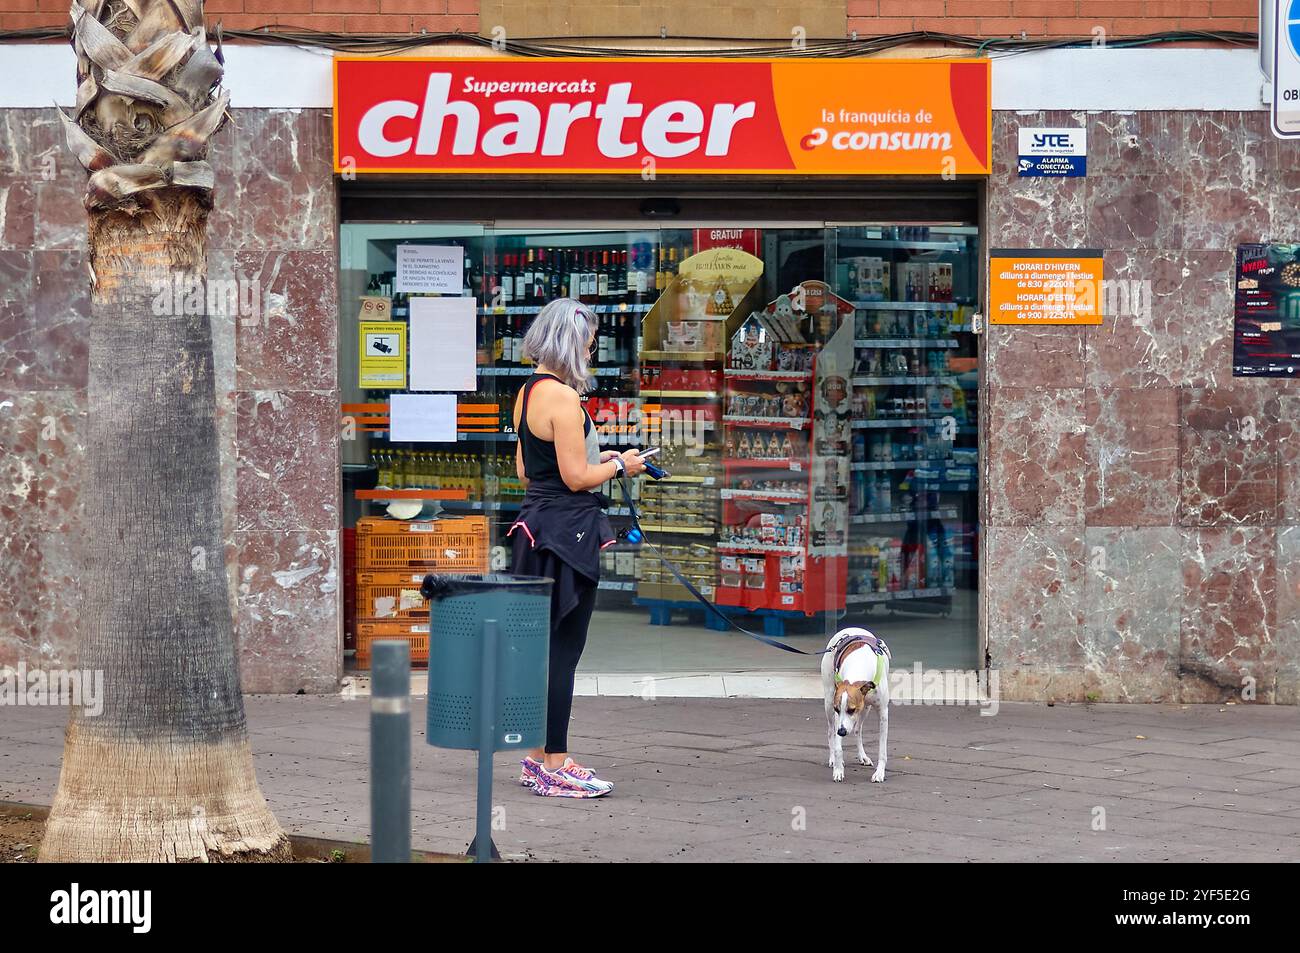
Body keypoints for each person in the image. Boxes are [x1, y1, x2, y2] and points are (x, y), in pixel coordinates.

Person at [506, 297, 646, 798]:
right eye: (589, 340)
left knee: (545, 649)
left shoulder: (528, 393)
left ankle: (535, 757)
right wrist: (619, 466)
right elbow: (576, 477)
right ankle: (556, 763)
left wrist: (594, 454)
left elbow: (528, 470)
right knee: (564, 652)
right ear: (572, 341)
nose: (592, 348)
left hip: (535, 528)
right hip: (569, 533)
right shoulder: (564, 399)